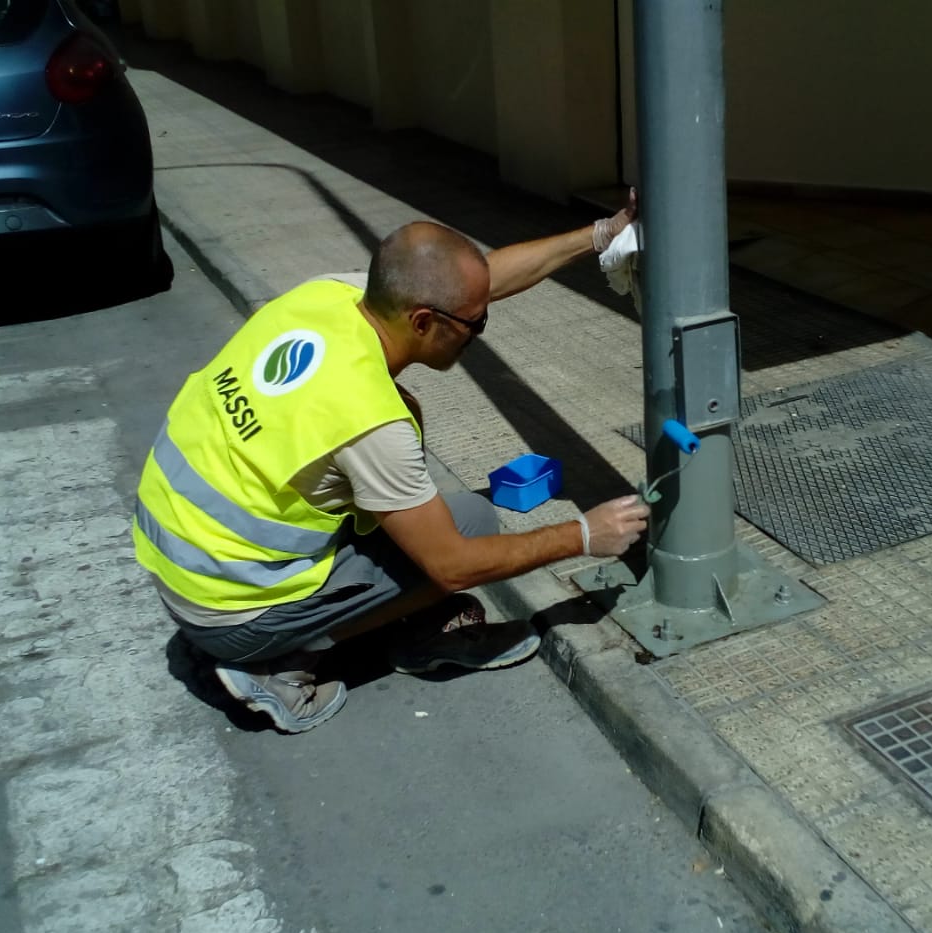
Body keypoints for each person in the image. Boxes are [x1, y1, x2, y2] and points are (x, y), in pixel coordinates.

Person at [132, 198, 649, 734]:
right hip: (230, 616)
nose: (480, 329)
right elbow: (455, 566)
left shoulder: (328, 296)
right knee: (464, 533)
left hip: (180, 562)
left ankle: (372, 621)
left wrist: (601, 233)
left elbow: (475, 282)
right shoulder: (370, 420)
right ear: (424, 321)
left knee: (452, 513)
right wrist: (584, 535)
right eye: (478, 323)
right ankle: (280, 664)